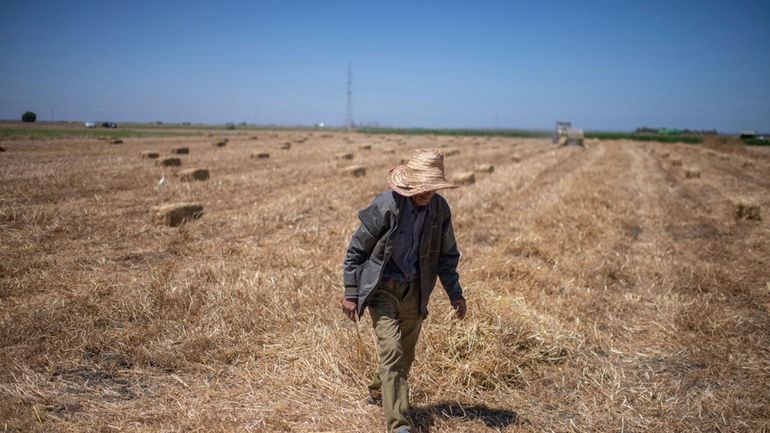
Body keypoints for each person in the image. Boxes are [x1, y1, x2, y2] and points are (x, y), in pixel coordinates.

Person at [342, 148, 468, 433]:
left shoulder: (439, 210)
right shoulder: (386, 206)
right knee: (393, 353)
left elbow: (447, 255)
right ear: (409, 183)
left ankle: (379, 389)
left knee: (405, 356)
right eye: (422, 187)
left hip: (415, 289)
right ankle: (398, 424)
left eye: (432, 187)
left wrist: (455, 293)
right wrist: (351, 291)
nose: (427, 193)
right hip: (382, 289)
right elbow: (356, 250)